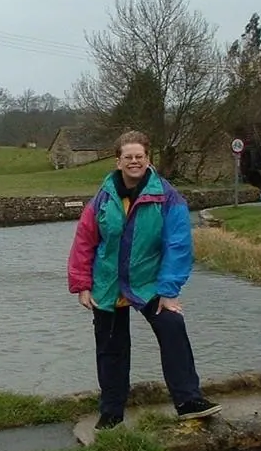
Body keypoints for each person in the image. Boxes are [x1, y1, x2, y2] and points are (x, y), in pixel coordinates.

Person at [67, 130, 220, 430]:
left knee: (172, 327)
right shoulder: (103, 198)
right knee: (111, 348)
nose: (134, 161)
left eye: (139, 156)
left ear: (148, 159)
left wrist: (169, 290)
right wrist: (82, 284)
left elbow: (178, 244)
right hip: (108, 283)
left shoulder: (168, 197)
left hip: (148, 281)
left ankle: (188, 401)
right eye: (128, 157)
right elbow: (85, 240)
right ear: (118, 161)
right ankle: (111, 414)